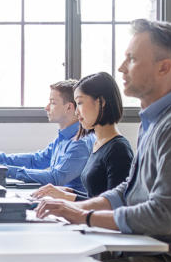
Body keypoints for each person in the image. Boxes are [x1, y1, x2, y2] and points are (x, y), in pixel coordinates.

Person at [35, 19, 171, 262]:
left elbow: (161, 216)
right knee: (50, 259)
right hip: (149, 247)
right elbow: (128, 190)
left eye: (132, 59)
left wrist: (84, 218)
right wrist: (79, 210)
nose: (122, 68)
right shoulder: (155, 120)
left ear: (164, 67)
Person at [0, 79, 93, 190]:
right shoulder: (63, 138)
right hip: (56, 200)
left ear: (69, 107)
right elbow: (35, 160)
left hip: (70, 208)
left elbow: (55, 178)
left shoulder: (80, 143)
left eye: (53, 102)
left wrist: (4, 170)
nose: (46, 107)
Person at [31, 72, 133, 201]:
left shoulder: (118, 150)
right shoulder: (99, 144)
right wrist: (69, 192)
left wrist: (69, 197)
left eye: (79, 103)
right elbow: (97, 197)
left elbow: (115, 206)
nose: (76, 111)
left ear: (101, 102)